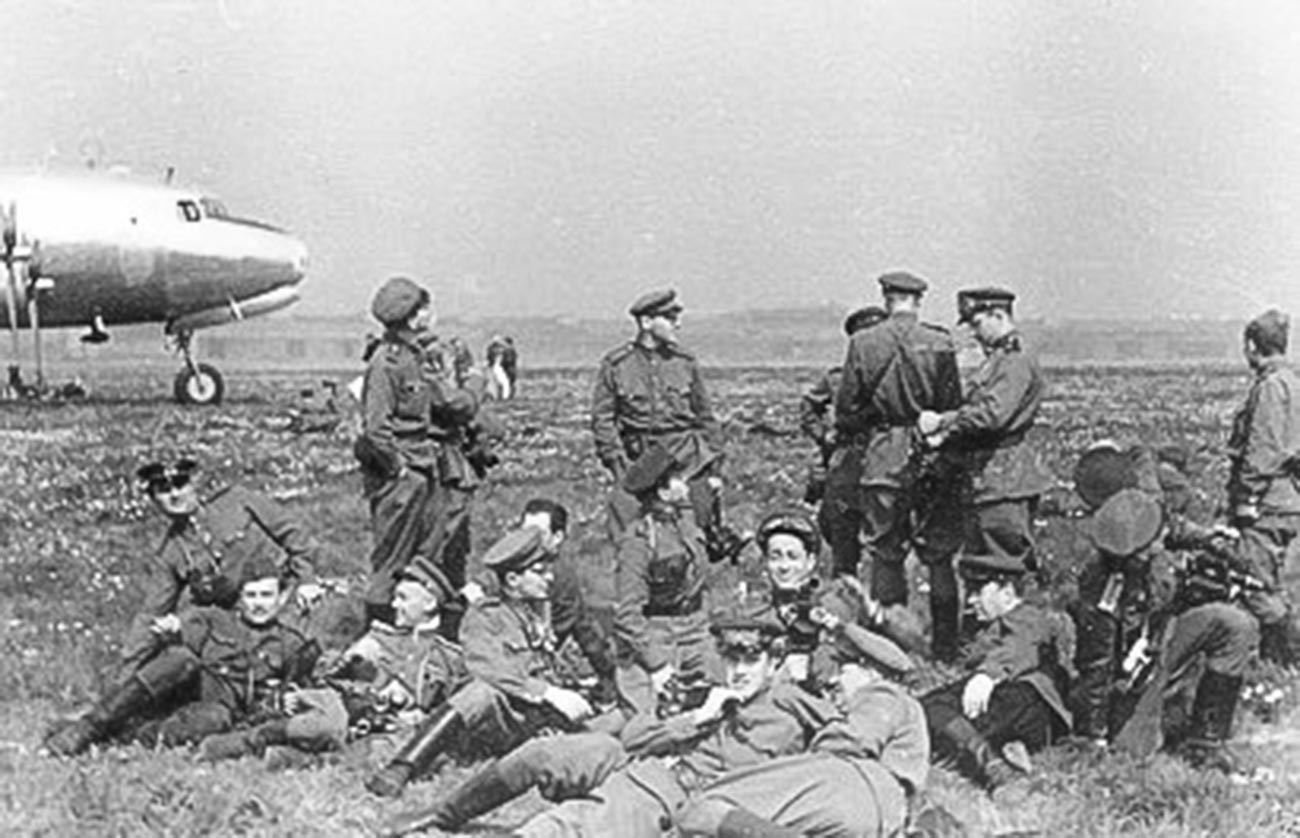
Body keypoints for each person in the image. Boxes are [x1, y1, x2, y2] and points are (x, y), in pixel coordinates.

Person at [509, 608, 841, 838]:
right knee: (559, 785)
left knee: (575, 824)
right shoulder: (708, 695)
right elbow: (633, 739)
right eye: (731, 658)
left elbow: (846, 736)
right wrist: (697, 717)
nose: (739, 671)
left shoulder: (789, 702)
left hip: (692, 805)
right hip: (650, 779)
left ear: (774, 662)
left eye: (752, 660)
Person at [365, 526, 623, 799]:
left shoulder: (533, 614)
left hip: (533, 721)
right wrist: (548, 693)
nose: (549, 577)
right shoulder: (485, 617)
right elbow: (488, 669)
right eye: (539, 571)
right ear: (512, 579)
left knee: (620, 722)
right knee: (482, 692)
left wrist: (575, 693)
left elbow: (547, 666)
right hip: (491, 726)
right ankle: (402, 767)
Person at [45, 555, 322, 757]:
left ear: (280, 598)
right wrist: (173, 629)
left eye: (266, 595)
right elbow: (185, 627)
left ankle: (123, 737)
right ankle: (92, 726)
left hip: (220, 712)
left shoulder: (289, 643)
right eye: (251, 595)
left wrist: (285, 700)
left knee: (214, 718)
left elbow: (297, 692)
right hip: (180, 694)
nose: (259, 603)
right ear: (240, 597)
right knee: (181, 658)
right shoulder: (215, 619)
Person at [675, 616, 926, 838]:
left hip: (848, 786)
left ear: (869, 670)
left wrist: (808, 763)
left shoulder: (882, 693)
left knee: (701, 810)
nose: (836, 678)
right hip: (875, 811)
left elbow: (851, 739)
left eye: (843, 667)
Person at [1070, 488, 1259, 772]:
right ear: (1134, 554)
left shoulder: (1147, 522)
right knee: (1133, 754)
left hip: (1167, 634)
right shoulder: (1103, 593)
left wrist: (1215, 542)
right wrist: (1092, 736)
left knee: (1234, 624)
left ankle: (1207, 743)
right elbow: (1096, 667)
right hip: (1136, 672)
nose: (1162, 545)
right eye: (1154, 545)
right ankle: (1132, 722)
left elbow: (1175, 529)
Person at [834, 272, 965, 660]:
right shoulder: (939, 341)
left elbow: (846, 411)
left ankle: (893, 647)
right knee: (940, 556)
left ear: (887, 297)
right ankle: (945, 647)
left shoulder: (863, 342)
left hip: (883, 457)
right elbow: (952, 405)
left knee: (886, 554)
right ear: (918, 300)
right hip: (932, 454)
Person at [918, 286, 1053, 653]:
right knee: (984, 565)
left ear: (998, 316)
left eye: (977, 323)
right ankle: (985, 646)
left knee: (1003, 567)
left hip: (1004, 480)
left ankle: (1012, 647)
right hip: (990, 479)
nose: (974, 333)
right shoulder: (999, 359)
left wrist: (943, 422)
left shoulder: (1013, 360)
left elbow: (994, 415)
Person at [117, 457, 324, 681]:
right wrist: (126, 672)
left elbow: (293, 534)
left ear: (193, 484)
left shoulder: (237, 501)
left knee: (302, 656)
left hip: (281, 602)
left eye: (180, 484)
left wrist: (307, 580)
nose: (175, 495)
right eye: (164, 490)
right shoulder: (170, 552)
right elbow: (151, 613)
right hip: (234, 623)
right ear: (154, 500)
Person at [354, 276, 481, 633]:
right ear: (413, 317)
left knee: (426, 557)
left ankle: (422, 636)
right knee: (391, 560)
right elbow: (376, 429)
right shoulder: (386, 362)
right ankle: (376, 639)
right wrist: (398, 471)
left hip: (425, 472)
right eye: (425, 309)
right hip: (403, 477)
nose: (430, 315)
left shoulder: (415, 356)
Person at [921, 552, 1073, 790]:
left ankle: (996, 771)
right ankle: (1006, 750)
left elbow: (1020, 646)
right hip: (1019, 706)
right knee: (928, 710)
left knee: (931, 714)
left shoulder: (1028, 617)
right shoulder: (996, 624)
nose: (970, 600)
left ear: (1007, 592)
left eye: (977, 591)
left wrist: (987, 675)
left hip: (1029, 702)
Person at [743, 508, 927, 692]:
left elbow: (909, 651)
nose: (784, 567)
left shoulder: (838, 600)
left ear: (810, 562)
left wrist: (868, 616)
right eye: (775, 557)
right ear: (766, 563)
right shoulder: (756, 617)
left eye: (793, 557)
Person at [591, 289, 725, 540]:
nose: (678, 324)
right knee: (630, 536)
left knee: (699, 533)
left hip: (688, 461)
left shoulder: (685, 362)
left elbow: (705, 416)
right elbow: (603, 420)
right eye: (670, 318)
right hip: (639, 461)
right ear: (647, 322)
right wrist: (619, 465)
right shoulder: (617, 364)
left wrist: (714, 468)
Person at [613, 443, 720, 713]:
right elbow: (628, 615)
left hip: (696, 630)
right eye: (677, 478)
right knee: (649, 717)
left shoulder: (686, 519)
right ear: (663, 491)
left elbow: (701, 581)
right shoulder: (638, 542)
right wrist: (657, 664)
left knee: (727, 694)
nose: (684, 482)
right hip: (657, 635)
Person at [1227, 309, 1300, 665]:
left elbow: (1263, 448)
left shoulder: (1271, 387)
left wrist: (1246, 497)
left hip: (1266, 502)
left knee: (1256, 584)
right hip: (1287, 499)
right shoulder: (1293, 382)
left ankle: (1285, 661)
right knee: (1274, 584)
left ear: (1253, 346)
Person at [798, 305, 887, 569]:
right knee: (840, 535)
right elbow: (808, 408)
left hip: (886, 460)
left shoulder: (898, 377)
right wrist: (823, 436)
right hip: (847, 464)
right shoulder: (837, 378)